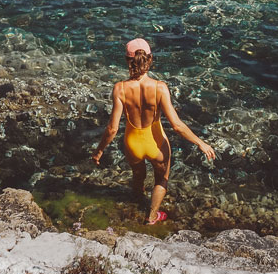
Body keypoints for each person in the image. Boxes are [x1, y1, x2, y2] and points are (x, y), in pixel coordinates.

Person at [92, 38, 216, 225]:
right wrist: (201, 143)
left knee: (138, 175)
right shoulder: (160, 87)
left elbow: (112, 128)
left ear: (127, 61)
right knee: (161, 180)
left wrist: (99, 150)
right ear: (150, 60)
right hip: (156, 144)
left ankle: (136, 199)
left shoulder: (120, 89)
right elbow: (177, 125)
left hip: (133, 144)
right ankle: (152, 216)